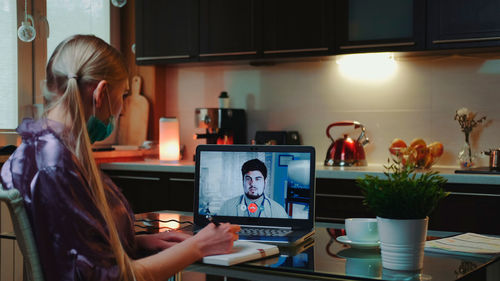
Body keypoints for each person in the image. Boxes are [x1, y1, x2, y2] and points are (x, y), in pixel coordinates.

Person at [0, 35, 240, 281]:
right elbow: (116, 278)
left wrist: (139, 242)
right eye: (123, 96)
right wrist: (198, 246)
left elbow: (71, 246)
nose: (122, 109)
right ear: (102, 93)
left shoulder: (38, 151)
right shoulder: (56, 166)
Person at [218, 159, 288, 218]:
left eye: (258, 179)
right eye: (248, 179)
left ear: (265, 182)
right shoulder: (227, 207)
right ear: (243, 181)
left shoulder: (279, 211)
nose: (252, 183)